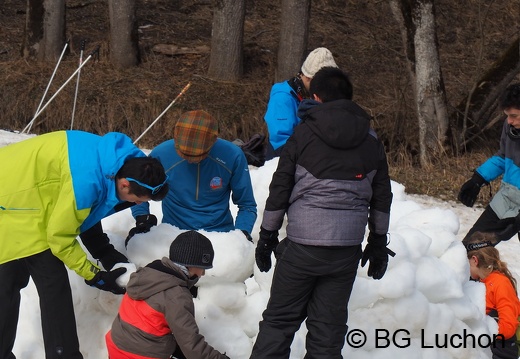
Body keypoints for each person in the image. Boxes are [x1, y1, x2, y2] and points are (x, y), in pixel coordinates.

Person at [250, 67, 394, 358]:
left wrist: (267, 237)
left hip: (302, 246)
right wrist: (378, 244)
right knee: (328, 334)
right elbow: (381, 198)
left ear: (315, 96)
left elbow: (279, 191)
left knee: (279, 323)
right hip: (345, 251)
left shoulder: (303, 134)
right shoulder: (372, 140)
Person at [0, 130, 168, 359]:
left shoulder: (125, 163)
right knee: (50, 282)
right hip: (12, 202)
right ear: (126, 185)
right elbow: (60, 236)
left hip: (24, 189)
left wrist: (103, 252)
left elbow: (85, 213)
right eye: (137, 200)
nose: (138, 204)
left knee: (9, 281)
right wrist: (95, 275)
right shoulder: (87, 180)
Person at [127, 110, 257, 244]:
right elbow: (139, 190)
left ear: (213, 141)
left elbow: (247, 204)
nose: (190, 161)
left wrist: (242, 234)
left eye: (197, 156)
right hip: (172, 234)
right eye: (184, 155)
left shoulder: (232, 156)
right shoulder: (161, 154)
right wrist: (142, 217)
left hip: (219, 237)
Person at [106, 230, 230, 359]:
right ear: (191, 265)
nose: (203, 273)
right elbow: (192, 346)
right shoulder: (176, 295)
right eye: (202, 267)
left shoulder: (149, 273)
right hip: (141, 355)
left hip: (116, 345)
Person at [458, 83, 520, 245]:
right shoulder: (510, 127)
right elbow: (503, 156)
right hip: (508, 197)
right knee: (471, 248)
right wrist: (478, 179)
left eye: (514, 115)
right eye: (507, 115)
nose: (509, 121)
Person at [263, 47, 338, 160]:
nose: (325, 88)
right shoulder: (282, 98)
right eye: (323, 83)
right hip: (281, 162)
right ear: (308, 78)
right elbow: (281, 142)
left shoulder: (309, 95)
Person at [465, 231, 520, 359]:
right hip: (489, 345)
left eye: (466, 262)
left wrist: (481, 334)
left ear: (474, 260)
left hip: (502, 349)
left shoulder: (500, 283)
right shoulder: (481, 282)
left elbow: (508, 326)